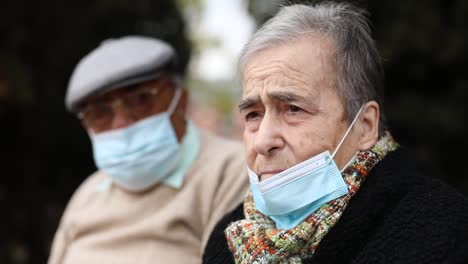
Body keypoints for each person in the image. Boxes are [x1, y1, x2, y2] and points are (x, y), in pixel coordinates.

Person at [202, 2, 468, 264]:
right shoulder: (226, 243)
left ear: (365, 126)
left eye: (293, 109)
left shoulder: (444, 231)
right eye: (253, 115)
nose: (263, 141)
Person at [48, 36, 249, 264]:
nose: (121, 123)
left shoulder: (231, 172)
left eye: (140, 100)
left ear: (180, 101)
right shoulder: (87, 194)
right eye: (100, 112)